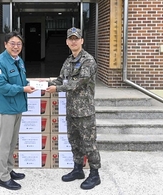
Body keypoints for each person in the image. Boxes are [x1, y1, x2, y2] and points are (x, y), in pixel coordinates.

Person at [46, 27, 101, 190]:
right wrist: (43, 85)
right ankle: (78, 169)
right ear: (67, 42)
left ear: (82, 41)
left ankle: (94, 174)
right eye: (70, 39)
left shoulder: (88, 60)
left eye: (76, 38)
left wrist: (57, 89)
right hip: (71, 110)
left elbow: (78, 83)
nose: (73, 41)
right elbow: (61, 80)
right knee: (74, 141)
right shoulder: (68, 61)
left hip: (85, 112)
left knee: (89, 143)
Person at [0, 31, 36, 190]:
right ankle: (3, 177)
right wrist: (23, 88)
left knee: (11, 142)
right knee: (3, 144)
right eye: (12, 43)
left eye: (19, 44)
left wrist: (35, 83)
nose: (16, 47)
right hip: (6, 109)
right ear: (5, 44)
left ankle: (9, 170)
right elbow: (2, 86)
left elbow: (22, 81)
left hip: (17, 107)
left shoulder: (18, 61)